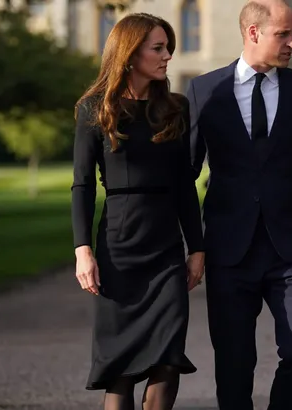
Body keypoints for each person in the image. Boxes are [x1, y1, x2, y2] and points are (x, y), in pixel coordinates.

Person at [185, 1, 292, 409]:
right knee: (235, 364)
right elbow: (185, 175)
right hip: (228, 249)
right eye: (283, 34)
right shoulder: (206, 90)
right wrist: (194, 245)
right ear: (253, 33)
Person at [71, 13, 204, 410]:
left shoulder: (175, 108)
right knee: (122, 370)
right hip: (120, 248)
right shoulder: (95, 109)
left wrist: (196, 248)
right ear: (130, 54)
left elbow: (184, 185)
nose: (167, 57)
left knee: (167, 360)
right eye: (158, 48)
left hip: (165, 249)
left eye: (168, 48)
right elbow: (80, 184)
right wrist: (82, 250)